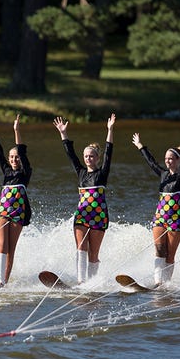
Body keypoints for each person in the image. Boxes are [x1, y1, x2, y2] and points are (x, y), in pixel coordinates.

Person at [56, 114, 116, 282]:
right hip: (82, 215)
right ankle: (81, 281)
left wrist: (110, 130)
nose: (88, 159)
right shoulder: (81, 172)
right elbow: (70, 154)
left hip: (99, 216)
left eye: (91, 156)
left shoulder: (102, 174)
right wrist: (63, 134)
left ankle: (93, 282)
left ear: (97, 158)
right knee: (81, 247)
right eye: (86, 156)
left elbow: (109, 152)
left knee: (93, 253)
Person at [132, 130, 180, 287]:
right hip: (160, 217)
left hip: (177, 219)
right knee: (159, 250)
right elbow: (151, 162)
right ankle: (158, 283)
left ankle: (166, 284)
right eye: (166, 159)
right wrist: (140, 146)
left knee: (169, 255)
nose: (167, 161)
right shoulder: (163, 174)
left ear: (178, 160)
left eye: (171, 159)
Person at [0, 114, 32, 288]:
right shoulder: (6, 170)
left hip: (19, 212)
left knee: (11, 249)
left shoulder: (25, 172)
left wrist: (16, 129)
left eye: (16, 157)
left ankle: (5, 282)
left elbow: (22, 149)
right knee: (2, 244)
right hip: (2, 211)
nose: (13, 160)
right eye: (11, 157)